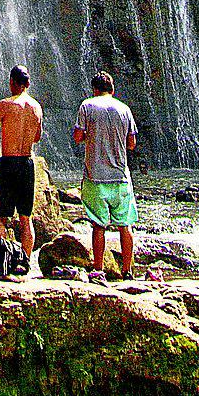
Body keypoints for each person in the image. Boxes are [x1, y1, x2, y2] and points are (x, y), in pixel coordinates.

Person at [73, 71, 138, 277]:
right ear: (112, 89)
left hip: (95, 175)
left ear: (95, 90)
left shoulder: (87, 106)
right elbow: (131, 144)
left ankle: (98, 270)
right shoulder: (125, 109)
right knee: (125, 225)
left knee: (98, 225)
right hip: (120, 177)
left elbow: (77, 137)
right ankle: (127, 270)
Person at [0, 64, 43, 266]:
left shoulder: (5, 104)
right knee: (26, 217)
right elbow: (37, 137)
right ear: (28, 83)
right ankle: (25, 262)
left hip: (8, 162)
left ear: (11, 82)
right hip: (27, 162)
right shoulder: (36, 107)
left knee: (0, 216)